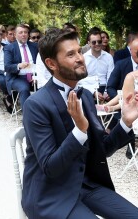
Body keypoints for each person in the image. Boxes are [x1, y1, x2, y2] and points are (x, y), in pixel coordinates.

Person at [22, 28, 138, 219]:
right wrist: (80, 130)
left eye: (78, 51)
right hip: (51, 194)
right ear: (51, 63)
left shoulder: (84, 96)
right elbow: (50, 167)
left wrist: (125, 121)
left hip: (86, 185)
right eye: (70, 54)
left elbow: (102, 149)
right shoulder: (35, 105)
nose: (80, 58)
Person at [4, 24, 38, 110]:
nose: (23, 34)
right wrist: (18, 65)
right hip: (17, 77)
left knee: (46, 86)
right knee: (24, 88)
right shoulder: (9, 48)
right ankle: (27, 118)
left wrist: (37, 76)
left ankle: (43, 115)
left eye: (25, 32)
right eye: (20, 32)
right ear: (15, 35)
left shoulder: (35, 46)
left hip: (34, 76)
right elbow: (7, 67)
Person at [80, 31, 114, 103]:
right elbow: (81, 80)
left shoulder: (108, 57)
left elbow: (111, 77)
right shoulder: (84, 58)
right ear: (89, 43)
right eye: (94, 42)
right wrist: (93, 92)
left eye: (99, 41)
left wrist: (106, 92)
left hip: (105, 88)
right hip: (88, 89)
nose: (97, 44)